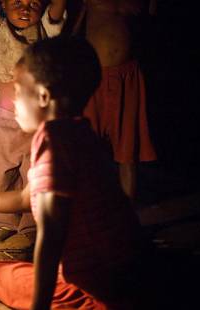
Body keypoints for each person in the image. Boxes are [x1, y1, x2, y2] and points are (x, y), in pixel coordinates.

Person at [0, 37, 152, 309]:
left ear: (43, 97)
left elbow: (50, 240)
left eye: (18, 88)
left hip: (99, 289)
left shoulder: (54, 143)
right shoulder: (78, 132)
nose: (12, 97)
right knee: (2, 273)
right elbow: (27, 198)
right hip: (128, 271)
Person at [0, 0, 67, 242]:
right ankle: (1, 219)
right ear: (3, 4)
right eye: (17, 3)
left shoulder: (46, 30)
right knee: (0, 171)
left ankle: (31, 222)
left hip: (37, 120)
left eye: (33, 3)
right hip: (4, 118)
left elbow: (57, 10)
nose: (25, 9)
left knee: (32, 170)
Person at [72, 0, 157, 200]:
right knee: (87, 147)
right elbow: (72, 28)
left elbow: (152, 25)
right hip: (93, 75)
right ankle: (90, 209)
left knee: (127, 151)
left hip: (128, 76)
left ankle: (127, 218)